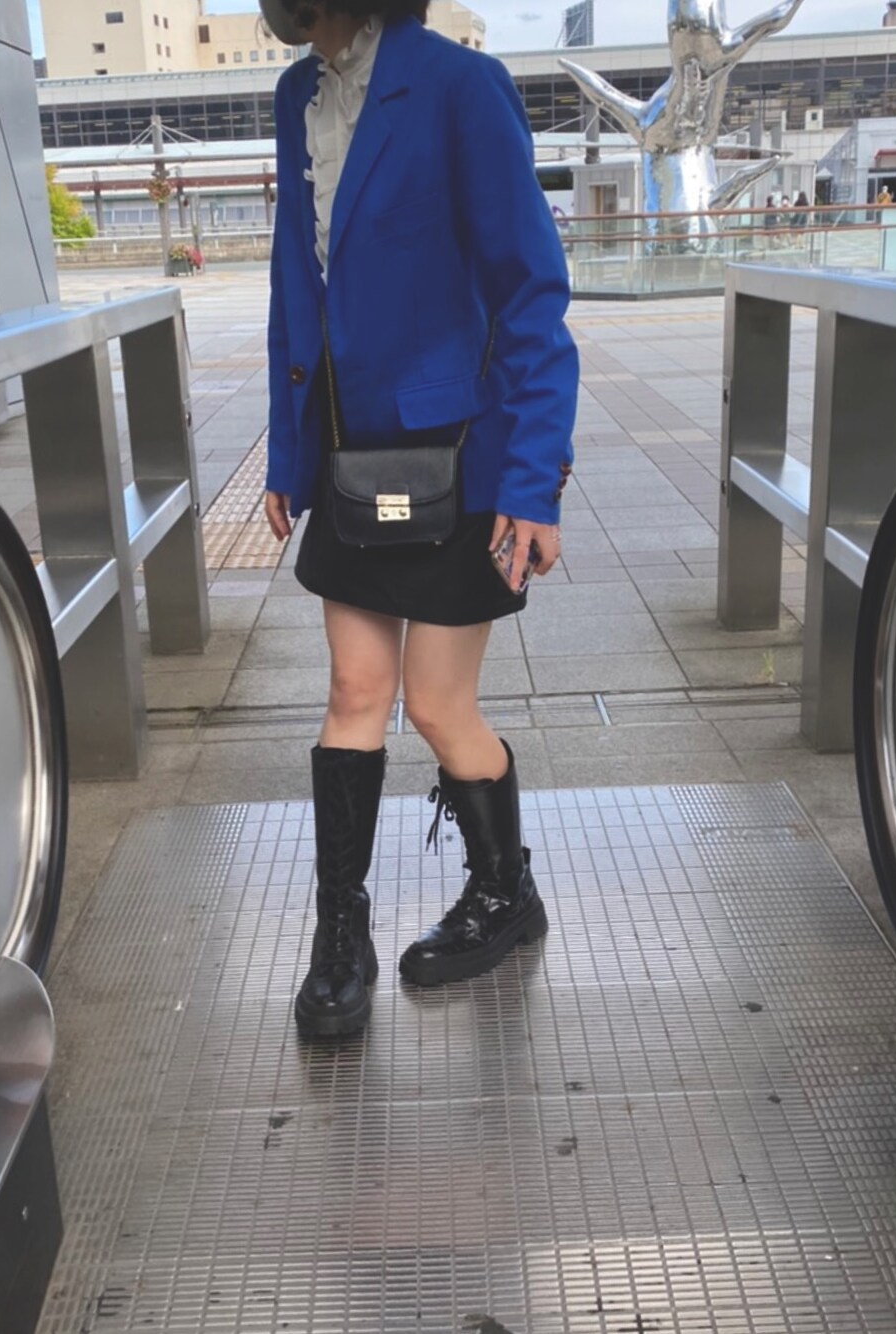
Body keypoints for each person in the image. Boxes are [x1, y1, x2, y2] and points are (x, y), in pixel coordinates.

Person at [259, 0, 579, 1039]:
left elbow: (530, 291)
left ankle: (504, 891)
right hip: (350, 456)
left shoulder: (458, 86)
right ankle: (338, 931)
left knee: (439, 707)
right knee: (355, 689)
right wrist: (287, 452)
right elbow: (293, 286)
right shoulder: (297, 96)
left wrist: (531, 480)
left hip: (461, 459)